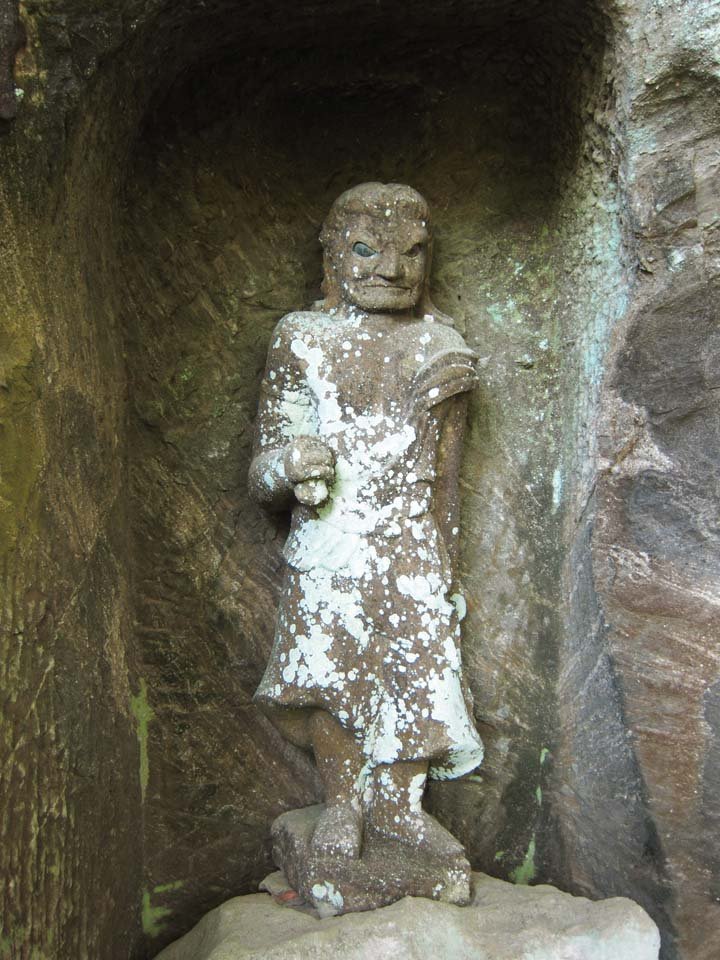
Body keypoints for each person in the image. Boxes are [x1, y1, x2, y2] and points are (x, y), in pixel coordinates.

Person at [249, 182, 483, 862]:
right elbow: (262, 472)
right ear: (331, 259)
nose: (391, 271)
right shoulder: (303, 338)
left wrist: (449, 568)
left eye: (411, 254)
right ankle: (343, 801)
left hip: (411, 541)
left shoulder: (441, 346)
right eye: (365, 251)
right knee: (333, 671)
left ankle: (399, 807)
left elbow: (448, 481)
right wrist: (291, 463)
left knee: (420, 674)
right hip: (331, 540)